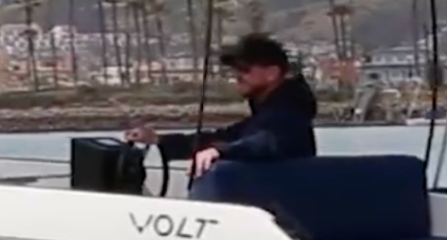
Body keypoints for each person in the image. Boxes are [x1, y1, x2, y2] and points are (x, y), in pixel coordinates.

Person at [125, 33, 318, 177]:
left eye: (244, 69)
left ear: (272, 73)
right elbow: (223, 138)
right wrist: (159, 140)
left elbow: (267, 143)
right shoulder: (267, 116)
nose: (236, 76)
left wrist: (221, 151)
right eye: (234, 70)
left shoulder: (289, 115)